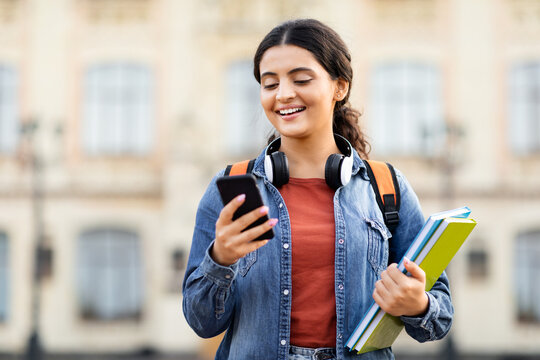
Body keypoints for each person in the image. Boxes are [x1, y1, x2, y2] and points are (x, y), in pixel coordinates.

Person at [182, 18, 453, 360]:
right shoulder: (233, 189)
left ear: (339, 87)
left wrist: (418, 303)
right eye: (270, 84)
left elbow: (439, 318)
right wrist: (220, 259)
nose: (283, 94)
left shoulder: (387, 188)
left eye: (301, 80)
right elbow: (201, 322)